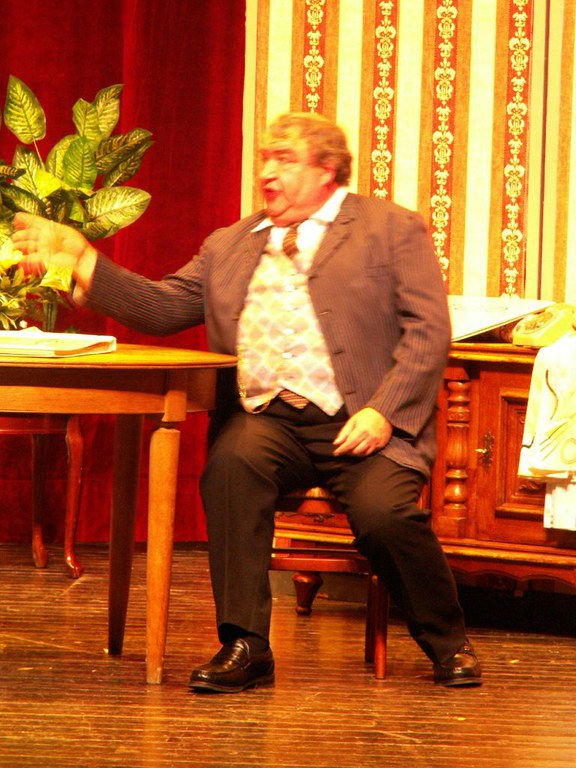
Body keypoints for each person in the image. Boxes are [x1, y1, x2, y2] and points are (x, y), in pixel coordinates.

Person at [12, 112, 482, 692]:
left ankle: (448, 640)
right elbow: (162, 307)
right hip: (268, 419)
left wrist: (384, 410)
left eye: (284, 159)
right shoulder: (231, 243)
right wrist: (83, 258)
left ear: (327, 170)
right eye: (264, 158)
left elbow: (428, 330)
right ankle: (246, 645)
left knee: (384, 516)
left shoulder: (389, 228)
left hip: (362, 418)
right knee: (230, 470)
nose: (266, 172)